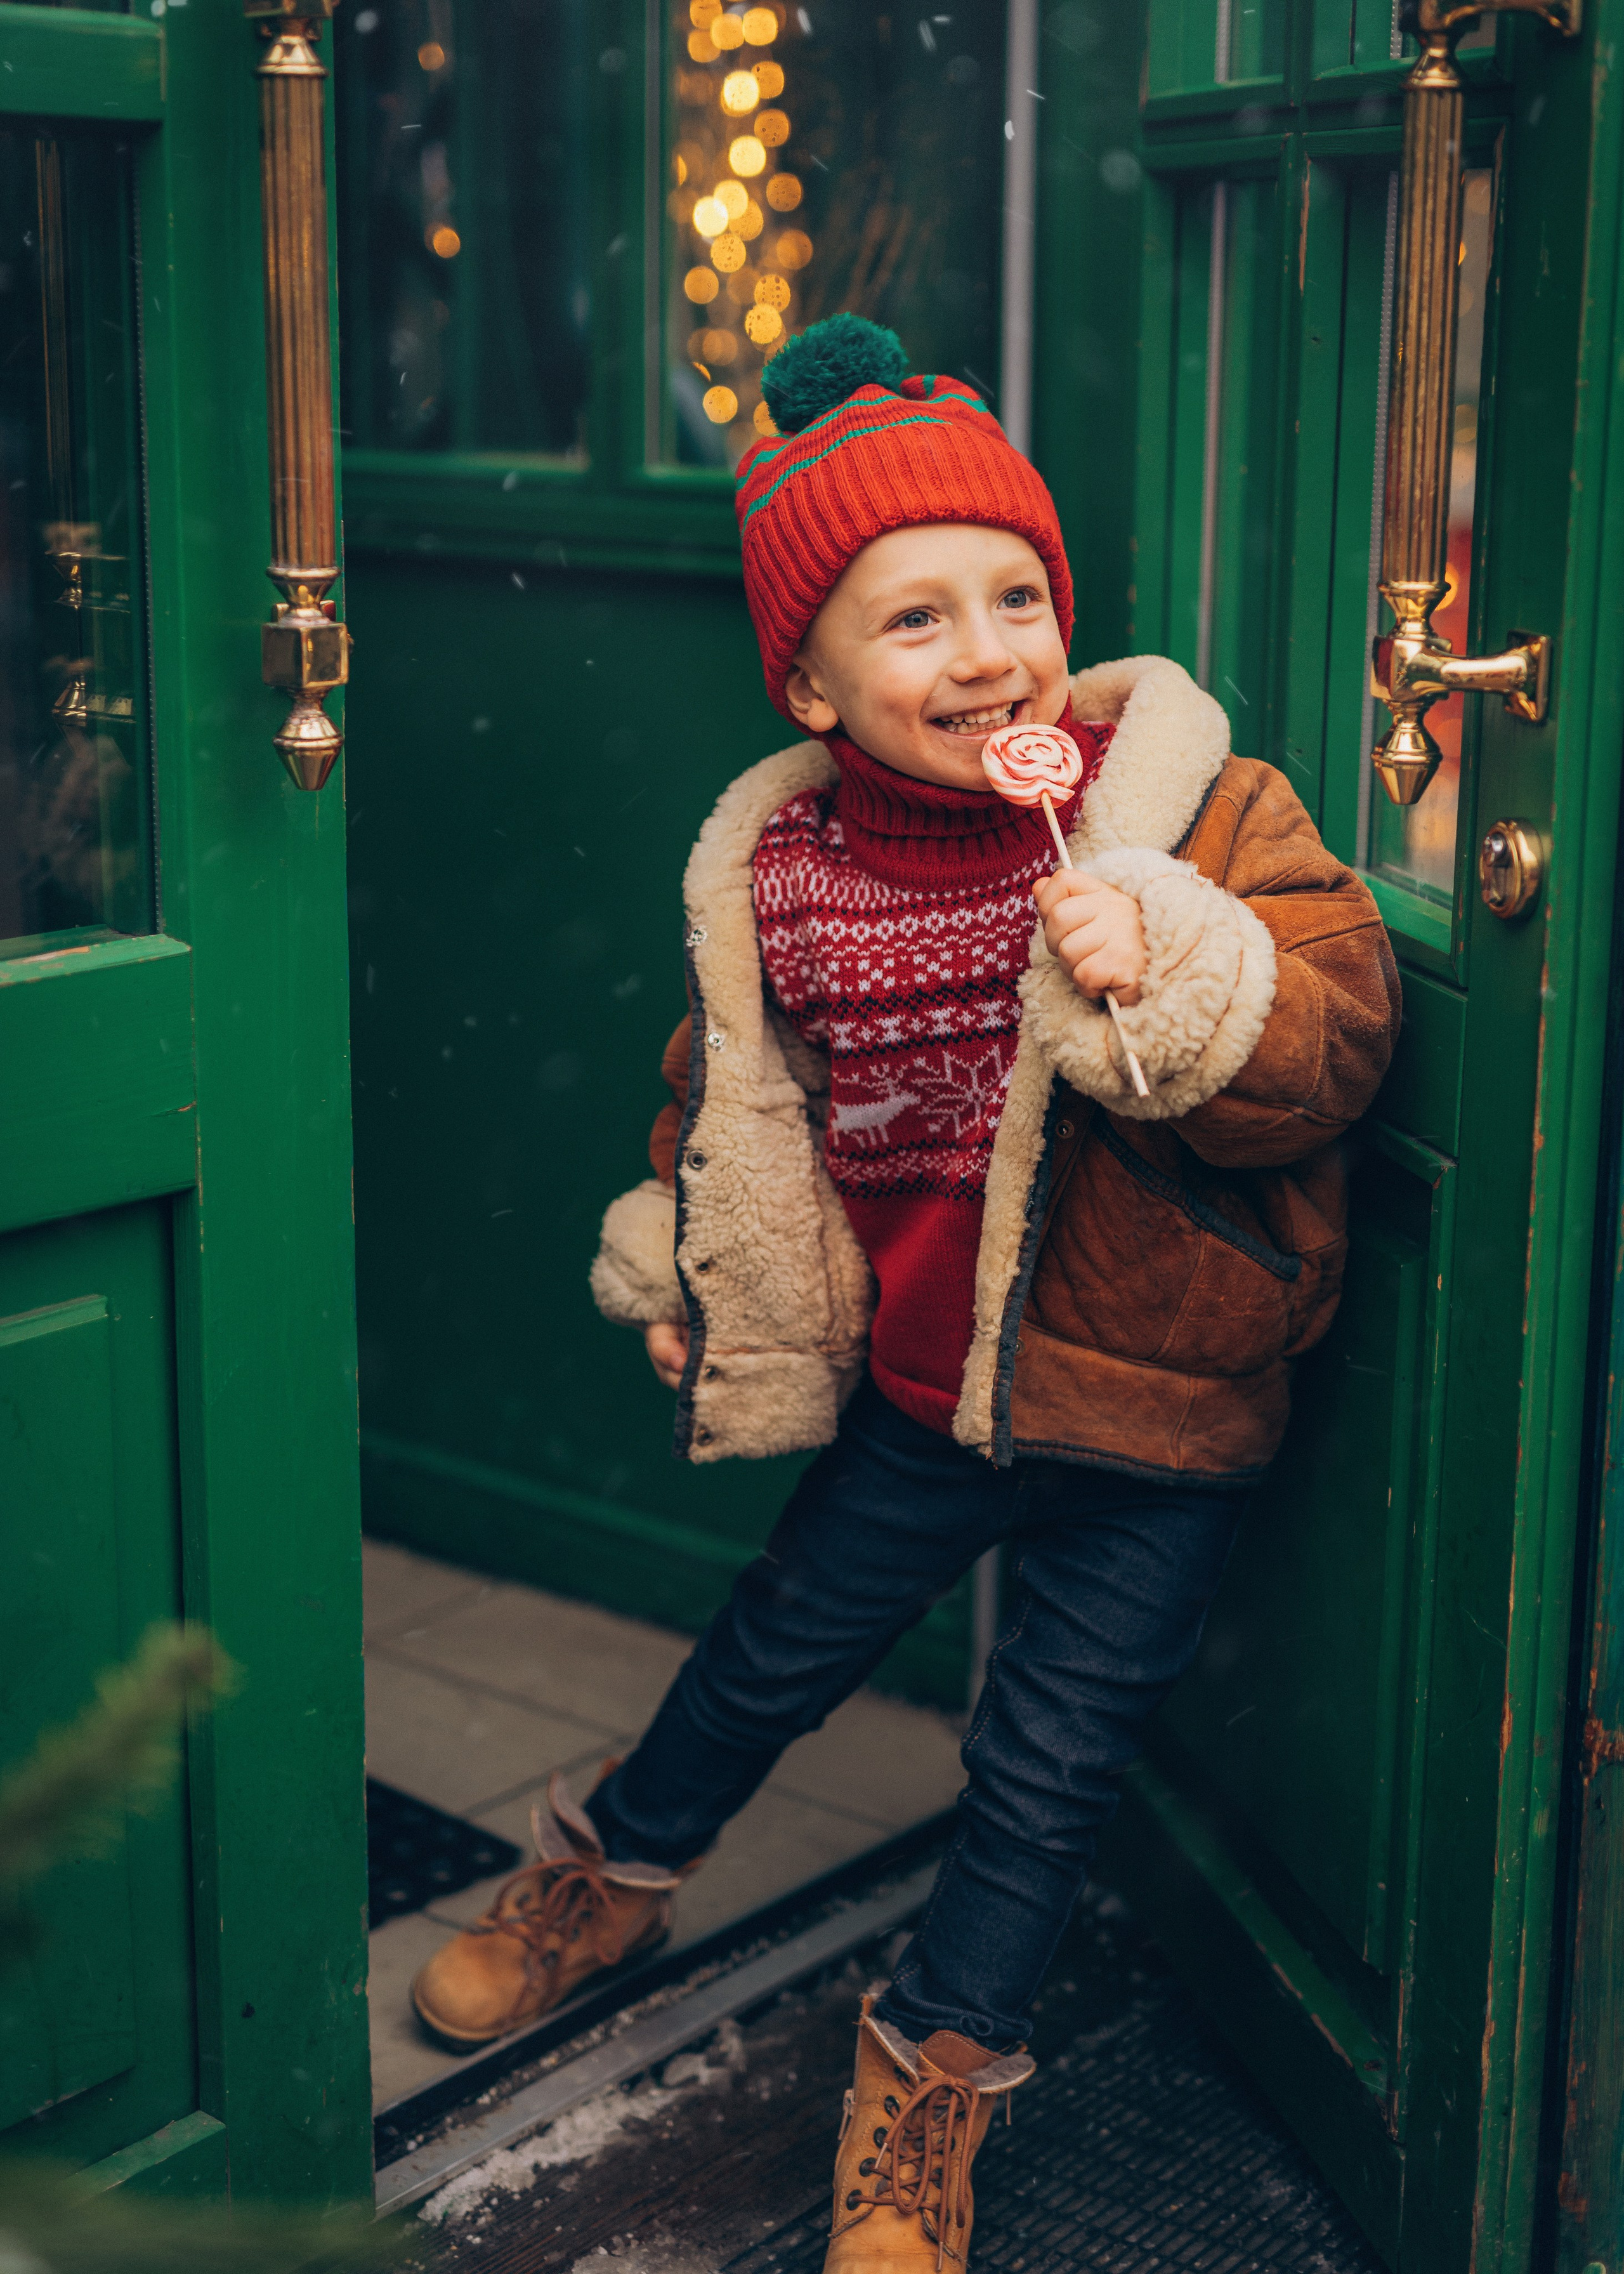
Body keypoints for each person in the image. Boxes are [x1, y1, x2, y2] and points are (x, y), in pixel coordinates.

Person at [410, 315, 1400, 2270]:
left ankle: (930, 2086)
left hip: (1160, 1392)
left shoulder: (1194, 812)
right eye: (917, 622)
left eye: (1017, 598)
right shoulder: (786, 872)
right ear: (813, 678)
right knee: (777, 1646)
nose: (991, 655)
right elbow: (732, 1100)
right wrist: (711, 1271)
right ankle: (609, 1875)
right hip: (924, 1388)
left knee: (1044, 1767)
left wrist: (1183, 961)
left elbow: (1342, 1032)